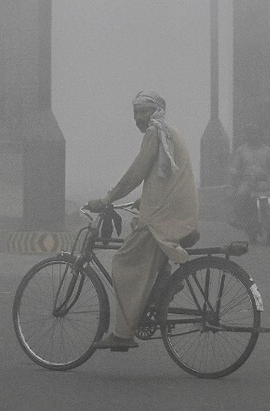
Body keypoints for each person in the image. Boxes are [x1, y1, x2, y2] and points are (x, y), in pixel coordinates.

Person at [84, 91, 199, 351]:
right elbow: (163, 175)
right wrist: (143, 200)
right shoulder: (169, 132)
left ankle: (123, 334)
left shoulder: (155, 132)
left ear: (156, 111)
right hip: (178, 210)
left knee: (124, 261)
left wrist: (107, 199)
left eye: (143, 111)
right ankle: (160, 290)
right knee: (145, 254)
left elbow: (136, 172)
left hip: (164, 216)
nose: (138, 117)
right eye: (135, 112)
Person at [227, 124, 270, 234]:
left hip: (265, 181)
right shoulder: (241, 150)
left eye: (257, 134)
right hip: (247, 181)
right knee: (241, 195)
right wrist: (236, 172)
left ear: (261, 136)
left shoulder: (267, 150)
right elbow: (234, 167)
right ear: (248, 136)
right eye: (252, 134)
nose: (255, 137)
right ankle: (238, 218)